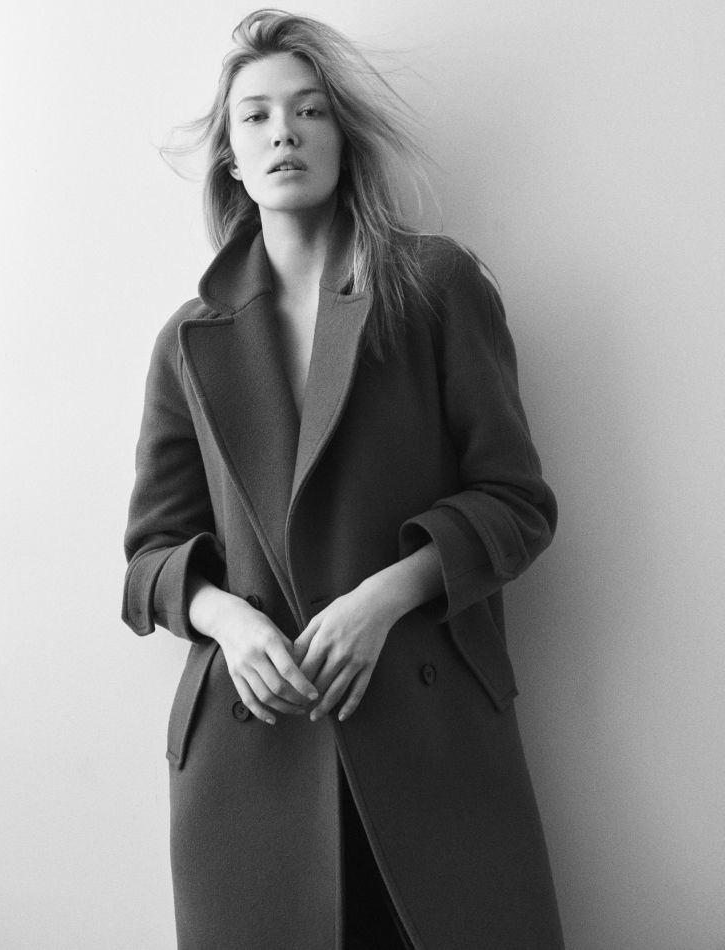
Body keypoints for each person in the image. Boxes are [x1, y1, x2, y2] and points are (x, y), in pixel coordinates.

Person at [122, 9, 565, 949]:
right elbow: (149, 557)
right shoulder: (188, 341)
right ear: (231, 158)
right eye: (255, 116)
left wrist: (380, 601)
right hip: (253, 749)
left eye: (310, 110)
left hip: (429, 729)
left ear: (342, 135)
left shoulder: (434, 287)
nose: (283, 131)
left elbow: (517, 504)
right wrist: (229, 620)